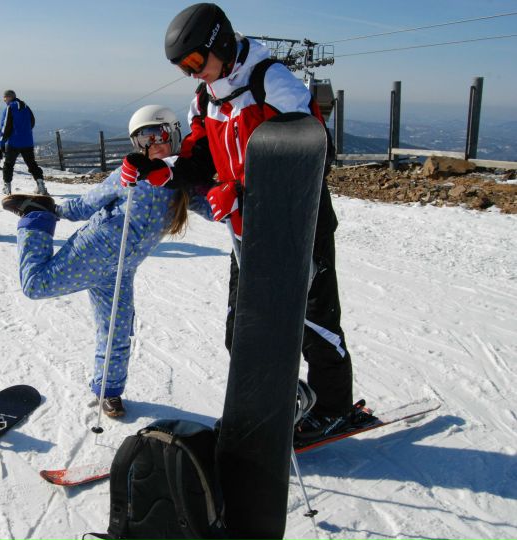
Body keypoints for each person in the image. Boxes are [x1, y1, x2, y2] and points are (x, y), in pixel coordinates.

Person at [126, 3, 362, 440]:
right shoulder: (205, 98)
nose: (192, 73)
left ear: (219, 43)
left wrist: (243, 189)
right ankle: (274, 403)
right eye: (183, 68)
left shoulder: (271, 81)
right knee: (242, 330)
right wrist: (161, 170)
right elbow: (199, 158)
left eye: (195, 61)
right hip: (247, 229)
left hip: (299, 222)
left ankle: (333, 407)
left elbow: (314, 151)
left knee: (312, 322)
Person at [1, 105, 212, 417]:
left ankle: (108, 391)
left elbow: (214, 208)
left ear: (174, 133)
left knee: (116, 331)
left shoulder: (182, 183)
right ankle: (35, 217)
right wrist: (55, 211)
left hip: (122, 270)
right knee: (35, 286)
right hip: (93, 250)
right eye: (143, 139)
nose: (152, 144)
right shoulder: (129, 175)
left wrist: (239, 203)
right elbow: (89, 203)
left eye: (159, 134)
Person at [0, 90, 48, 196]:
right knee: (32, 164)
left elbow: (5, 126)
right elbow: (32, 122)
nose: (4, 100)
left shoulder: (10, 107)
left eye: (5, 97)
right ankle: (41, 185)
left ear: (9, 97)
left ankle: (7, 187)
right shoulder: (26, 106)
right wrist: (25, 132)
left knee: (8, 165)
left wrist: (2, 143)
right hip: (27, 142)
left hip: (13, 142)